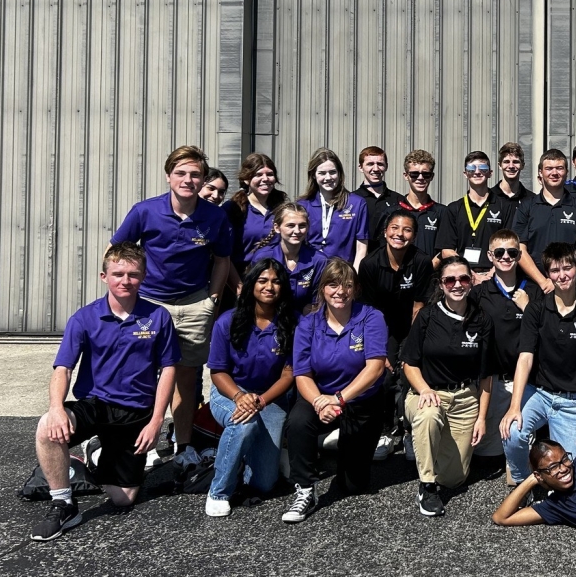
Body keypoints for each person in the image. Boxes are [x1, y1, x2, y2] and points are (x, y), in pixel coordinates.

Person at [29, 243, 179, 541]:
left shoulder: (158, 317)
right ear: (104, 276)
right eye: (118, 274)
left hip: (135, 413)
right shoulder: (84, 318)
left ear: (144, 277)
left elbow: (169, 370)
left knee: (123, 499)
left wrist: (157, 420)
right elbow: (63, 369)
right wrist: (57, 408)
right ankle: (63, 503)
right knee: (47, 428)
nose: (126, 280)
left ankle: (95, 453)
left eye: (133, 274)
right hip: (94, 405)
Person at [111, 145, 231, 473]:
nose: (188, 180)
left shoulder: (214, 216)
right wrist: (125, 294)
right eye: (181, 173)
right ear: (168, 176)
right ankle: (141, 441)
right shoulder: (144, 212)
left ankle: (183, 444)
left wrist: (213, 299)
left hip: (194, 304)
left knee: (186, 377)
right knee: (145, 376)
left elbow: (222, 259)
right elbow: (116, 250)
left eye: (195, 174)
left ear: (203, 179)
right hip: (151, 305)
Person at [284, 259, 387, 523]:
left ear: (356, 289)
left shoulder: (371, 317)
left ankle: (331, 441)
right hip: (321, 396)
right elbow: (302, 374)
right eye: (332, 284)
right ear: (322, 289)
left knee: (353, 485)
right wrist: (321, 401)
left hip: (360, 401)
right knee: (298, 421)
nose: (340, 291)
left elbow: (375, 368)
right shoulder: (309, 324)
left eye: (347, 285)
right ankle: (305, 489)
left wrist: (339, 399)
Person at [499, 243, 576, 484]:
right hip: (540, 394)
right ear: (547, 274)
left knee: (568, 479)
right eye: (555, 270)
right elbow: (525, 358)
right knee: (512, 432)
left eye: (567, 268)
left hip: (575, 401)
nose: (562, 275)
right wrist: (514, 406)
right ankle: (521, 481)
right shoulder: (536, 310)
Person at [400, 258, 495, 516]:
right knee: (428, 416)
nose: (457, 285)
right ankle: (427, 486)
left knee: (454, 479)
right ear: (441, 284)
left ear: (472, 281)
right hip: (428, 393)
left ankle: (427, 447)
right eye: (449, 280)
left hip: (465, 398)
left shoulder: (482, 320)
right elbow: (408, 363)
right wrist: (424, 390)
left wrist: (482, 419)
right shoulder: (427, 316)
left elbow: (486, 377)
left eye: (463, 279)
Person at [204, 260, 296, 517]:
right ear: (251, 284)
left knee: (264, 483)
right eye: (263, 280)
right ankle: (219, 491)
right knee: (244, 423)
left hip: (271, 396)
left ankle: (259, 453)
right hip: (231, 391)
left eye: (276, 281)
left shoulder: (292, 323)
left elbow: (289, 375)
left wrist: (262, 400)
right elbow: (218, 372)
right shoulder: (228, 321)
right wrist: (240, 396)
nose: (269, 287)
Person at [357, 210, 435, 461]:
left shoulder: (421, 261)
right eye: (394, 228)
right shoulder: (369, 264)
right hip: (381, 328)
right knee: (383, 377)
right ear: (385, 232)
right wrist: (379, 349)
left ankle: (410, 431)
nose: (399, 234)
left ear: (414, 236)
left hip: (412, 327)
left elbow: (418, 306)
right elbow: (369, 311)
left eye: (407, 230)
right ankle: (385, 432)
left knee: (410, 377)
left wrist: (409, 348)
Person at [469, 230, 545, 468]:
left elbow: (549, 334)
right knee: (488, 459)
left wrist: (528, 309)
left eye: (512, 252)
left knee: (526, 455)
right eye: (499, 252)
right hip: (494, 384)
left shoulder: (534, 292)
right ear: (490, 256)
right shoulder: (479, 293)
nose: (505, 257)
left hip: (530, 382)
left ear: (519, 255)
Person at [510, 148, 576, 292]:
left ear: (567, 172)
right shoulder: (527, 207)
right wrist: (543, 281)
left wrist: (565, 277)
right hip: (535, 285)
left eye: (559, 168)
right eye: (549, 168)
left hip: (570, 285)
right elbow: (520, 249)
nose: (554, 173)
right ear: (540, 173)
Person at [436, 150, 511, 281]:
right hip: (463, 277)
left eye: (483, 168)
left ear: (490, 173)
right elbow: (446, 250)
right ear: (465, 174)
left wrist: (490, 275)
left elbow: (510, 245)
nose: (477, 172)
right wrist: (471, 275)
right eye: (471, 168)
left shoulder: (504, 207)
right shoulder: (453, 209)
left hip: (495, 276)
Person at [298, 147, 369, 268]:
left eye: (332, 172)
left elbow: (361, 248)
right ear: (314, 175)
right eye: (321, 173)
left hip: (343, 274)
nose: (328, 178)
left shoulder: (357, 203)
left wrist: (354, 277)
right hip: (311, 273)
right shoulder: (303, 205)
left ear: (339, 173)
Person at [223, 153, 287, 285]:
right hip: (242, 280)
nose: (265, 179)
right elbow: (224, 256)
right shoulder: (233, 209)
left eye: (270, 174)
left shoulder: (283, 208)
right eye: (258, 175)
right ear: (246, 179)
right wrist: (239, 289)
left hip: (275, 281)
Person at [256, 202, 326, 314]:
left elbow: (318, 302)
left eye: (302, 225)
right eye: (290, 225)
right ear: (277, 227)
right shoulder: (263, 257)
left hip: (305, 323)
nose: (297, 231)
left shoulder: (319, 261)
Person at [388, 150, 445, 264]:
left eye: (426, 174)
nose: (420, 178)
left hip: (430, 276)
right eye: (414, 174)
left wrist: (428, 268)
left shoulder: (442, 212)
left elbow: (445, 248)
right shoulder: (391, 212)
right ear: (406, 175)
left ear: (432, 176)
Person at [354, 146, 402, 244]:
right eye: (370, 164)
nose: (375, 169)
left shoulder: (399, 200)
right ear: (360, 167)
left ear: (386, 166)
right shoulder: (351, 200)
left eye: (380, 164)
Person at [495, 141, 533, 208]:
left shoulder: (532, 200)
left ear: (522, 165)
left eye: (515, 162)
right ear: (499, 165)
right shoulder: (488, 197)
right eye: (506, 162)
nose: (511, 166)